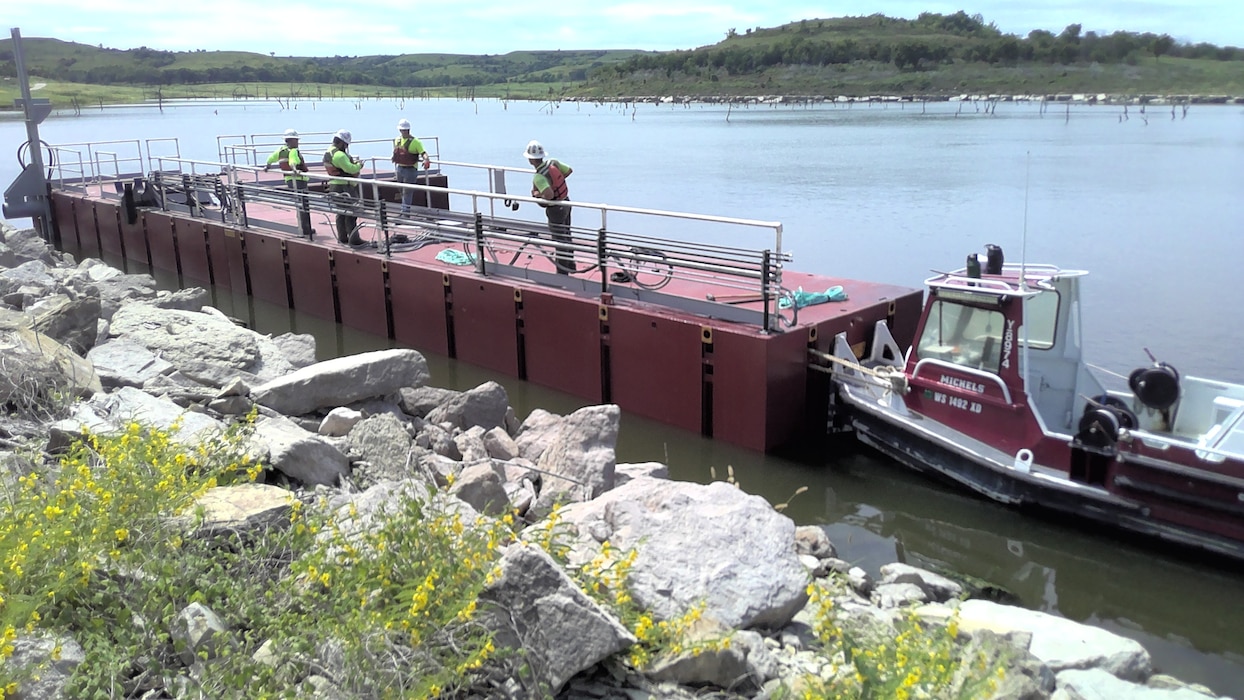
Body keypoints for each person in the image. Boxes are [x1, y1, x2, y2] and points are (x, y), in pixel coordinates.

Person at [523, 139, 575, 274]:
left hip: (555, 209)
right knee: (567, 234)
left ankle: (562, 272)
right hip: (566, 202)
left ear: (530, 160)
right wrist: (556, 179)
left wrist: (536, 194)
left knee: (559, 240)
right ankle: (571, 265)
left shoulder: (538, 177)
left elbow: (549, 195)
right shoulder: (554, 163)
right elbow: (569, 171)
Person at [264, 128, 312, 236]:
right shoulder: (293, 151)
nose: (298, 142)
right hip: (299, 180)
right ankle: (306, 229)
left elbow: (271, 158)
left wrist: (267, 165)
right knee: (304, 205)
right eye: (296, 140)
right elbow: (293, 161)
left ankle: (303, 227)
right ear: (290, 140)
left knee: (299, 204)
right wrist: (295, 169)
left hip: (289, 181)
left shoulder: (281, 151)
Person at [322, 129, 364, 245]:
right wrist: (359, 165)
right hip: (344, 187)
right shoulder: (339, 155)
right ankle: (354, 239)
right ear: (342, 142)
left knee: (341, 213)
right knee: (351, 213)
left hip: (334, 185)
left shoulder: (329, 152)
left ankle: (343, 237)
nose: (346, 147)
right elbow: (350, 169)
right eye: (346, 144)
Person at [392, 118, 431, 215]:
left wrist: (426, 160)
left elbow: (423, 153)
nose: (403, 132)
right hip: (400, 168)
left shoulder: (416, 142)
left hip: (411, 170)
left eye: (404, 130)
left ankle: (405, 213)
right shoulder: (397, 140)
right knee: (402, 191)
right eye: (402, 130)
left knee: (407, 192)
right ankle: (404, 210)